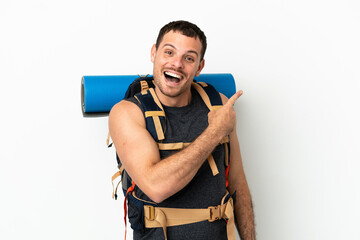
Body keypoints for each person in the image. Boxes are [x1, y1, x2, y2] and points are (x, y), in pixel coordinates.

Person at [109, 20, 255, 240]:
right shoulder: (128, 113)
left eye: (189, 58)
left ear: (199, 67)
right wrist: (215, 132)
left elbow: (237, 183)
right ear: (153, 53)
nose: (177, 64)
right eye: (169, 52)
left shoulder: (217, 105)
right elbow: (156, 187)